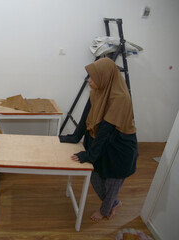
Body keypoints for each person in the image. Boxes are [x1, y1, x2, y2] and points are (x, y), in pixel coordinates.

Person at [59, 57, 138, 222]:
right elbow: (86, 116)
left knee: (112, 184)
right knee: (94, 176)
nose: (89, 80)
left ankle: (105, 210)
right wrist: (75, 137)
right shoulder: (98, 90)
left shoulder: (120, 98)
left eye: (92, 77)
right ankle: (114, 203)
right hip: (102, 142)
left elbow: (106, 130)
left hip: (119, 148)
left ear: (104, 77)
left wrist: (89, 155)